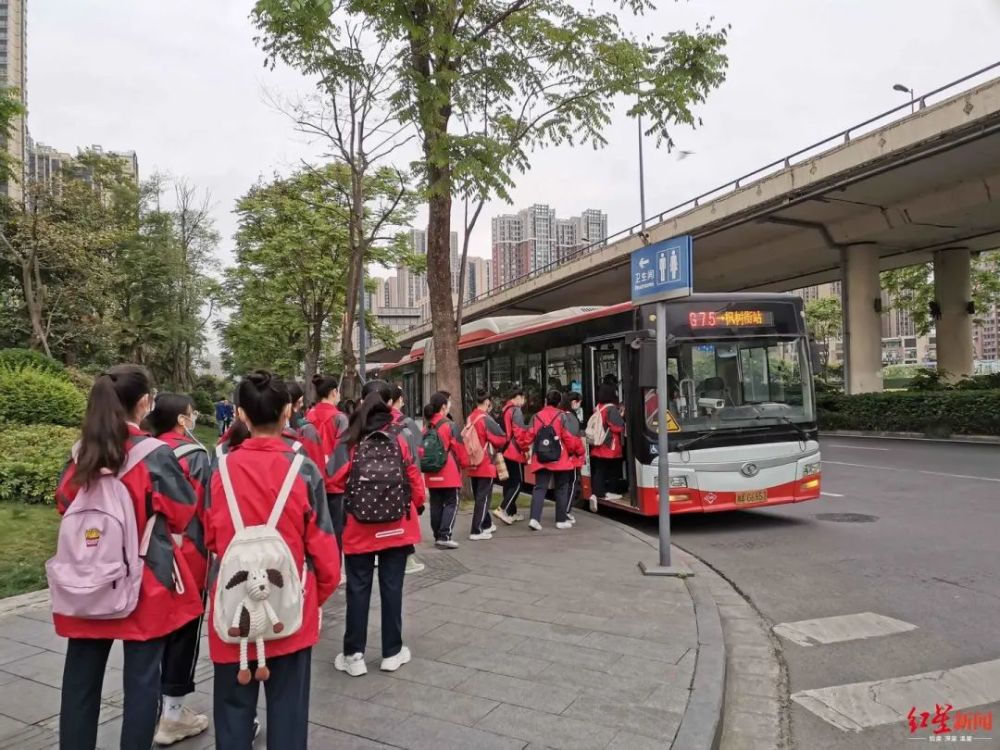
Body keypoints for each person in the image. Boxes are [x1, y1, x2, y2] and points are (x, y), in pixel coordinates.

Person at [54, 365, 204, 750]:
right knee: (141, 684)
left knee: (79, 684)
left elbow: (64, 502)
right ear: (143, 404)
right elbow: (183, 510)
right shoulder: (153, 455)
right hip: (144, 581)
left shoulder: (81, 453)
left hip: (86, 581)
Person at [205, 371, 340, 750]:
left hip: (232, 610)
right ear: (287, 412)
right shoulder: (304, 470)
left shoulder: (220, 468)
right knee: (289, 714)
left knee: (231, 713)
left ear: (241, 415)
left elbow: (209, 537)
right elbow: (325, 548)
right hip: (288, 604)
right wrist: (315, 595)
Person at [329, 391, 426, 677]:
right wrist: (416, 504)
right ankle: (392, 653)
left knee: (357, 590)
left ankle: (354, 655)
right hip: (396, 526)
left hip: (359, 528)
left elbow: (334, 480)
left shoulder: (352, 442)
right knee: (392, 588)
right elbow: (413, 476)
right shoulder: (399, 437)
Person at [142, 394, 212, 746]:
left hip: (146, 559)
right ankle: (172, 713)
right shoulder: (195, 455)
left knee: (152, 635)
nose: (194, 417)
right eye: (191, 413)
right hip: (187, 559)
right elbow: (202, 510)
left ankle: (148, 708)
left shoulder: (142, 449)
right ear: (182, 420)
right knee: (184, 634)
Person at [518, 389, 584, 530]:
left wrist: (524, 449)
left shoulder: (536, 416)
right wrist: (578, 450)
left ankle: (535, 519)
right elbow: (568, 438)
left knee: (540, 488)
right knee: (561, 488)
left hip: (541, 457)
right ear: (559, 402)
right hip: (560, 458)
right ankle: (560, 520)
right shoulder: (562, 416)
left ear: (546, 401)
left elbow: (528, 437)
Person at [305, 374, 348, 554]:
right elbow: (343, 454)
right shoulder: (340, 418)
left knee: (316, 529)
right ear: (333, 392)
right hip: (335, 485)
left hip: (312, 481)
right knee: (336, 530)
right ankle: (336, 570)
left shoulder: (309, 416)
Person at [421, 392, 468, 549]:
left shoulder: (427, 426)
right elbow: (459, 448)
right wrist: (466, 463)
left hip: (431, 473)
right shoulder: (449, 425)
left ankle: (437, 535)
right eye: (448, 403)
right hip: (448, 473)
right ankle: (445, 535)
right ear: (443, 407)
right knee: (451, 503)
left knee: (435, 504)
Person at [464, 390, 508, 540]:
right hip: (485, 463)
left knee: (479, 497)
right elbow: (501, 439)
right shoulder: (486, 419)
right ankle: (476, 530)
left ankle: (487, 524)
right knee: (484, 498)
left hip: (472, 462)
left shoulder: (471, 417)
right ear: (488, 402)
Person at [494, 388, 529, 525]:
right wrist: (525, 448)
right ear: (518, 397)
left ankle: (511, 513)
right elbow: (519, 433)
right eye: (523, 398)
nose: (524, 402)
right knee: (517, 484)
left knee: (508, 483)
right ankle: (502, 509)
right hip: (514, 451)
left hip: (504, 449)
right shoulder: (516, 410)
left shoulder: (505, 409)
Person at [589, 383, 626, 511]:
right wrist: (622, 416)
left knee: (600, 470)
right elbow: (617, 427)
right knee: (614, 470)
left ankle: (597, 492)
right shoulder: (611, 409)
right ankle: (610, 491)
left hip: (598, 444)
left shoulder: (598, 407)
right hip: (610, 446)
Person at [559, 391, 585, 525]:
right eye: (579, 402)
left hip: (561, 457)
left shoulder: (559, 415)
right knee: (572, 484)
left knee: (563, 486)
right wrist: (581, 451)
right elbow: (574, 441)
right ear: (574, 402)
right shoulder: (572, 418)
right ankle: (566, 511)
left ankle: (562, 511)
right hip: (572, 457)